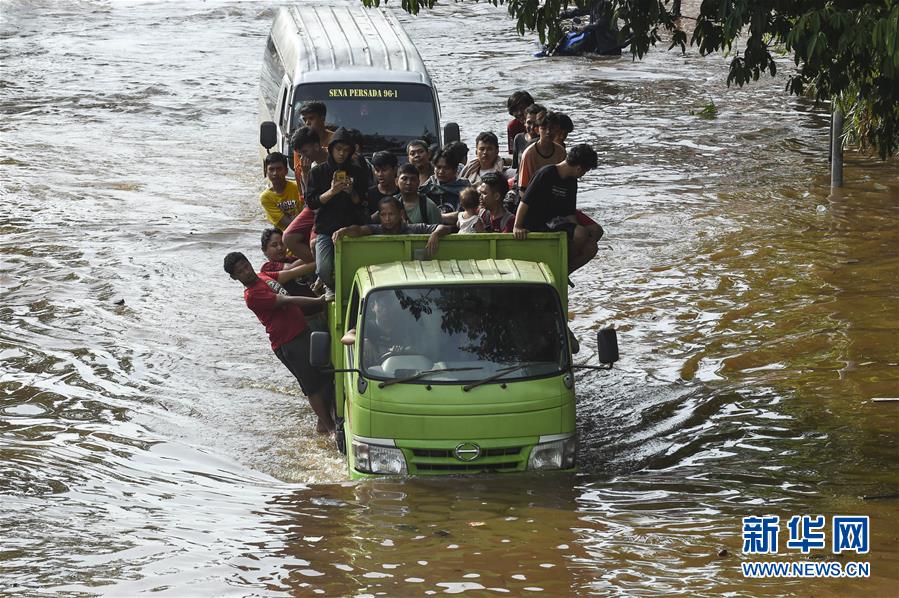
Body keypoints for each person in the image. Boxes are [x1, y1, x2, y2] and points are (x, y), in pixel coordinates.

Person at [223, 251, 334, 434]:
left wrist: (319, 264)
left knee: (324, 376)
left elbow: (290, 273)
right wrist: (319, 300)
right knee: (312, 386)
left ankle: (322, 425)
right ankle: (330, 429)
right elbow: (286, 300)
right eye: (241, 271)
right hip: (288, 342)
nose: (247, 272)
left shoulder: (262, 276)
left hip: (302, 331)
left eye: (246, 266)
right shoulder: (252, 295)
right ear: (234, 277)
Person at [513, 143, 603, 273]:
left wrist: (577, 231)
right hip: (538, 222)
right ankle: (557, 265)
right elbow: (525, 202)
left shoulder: (571, 182)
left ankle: (563, 271)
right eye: (585, 171)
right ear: (579, 169)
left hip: (557, 220)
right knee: (581, 234)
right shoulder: (546, 174)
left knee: (592, 243)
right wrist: (517, 226)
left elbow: (570, 212)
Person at [304, 127, 370, 290]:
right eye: (338, 149)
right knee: (323, 269)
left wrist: (350, 191)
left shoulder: (358, 172)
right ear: (331, 149)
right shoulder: (318, 172)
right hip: (326, 228)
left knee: (354, 268)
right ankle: (330, 287)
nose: (341, 153)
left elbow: (361, 200)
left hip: (351, 227)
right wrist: (332, 191)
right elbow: (311, 202)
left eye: (346, 150)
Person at [332, 196, 453, 257]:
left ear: (400, 214)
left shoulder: (414, 228)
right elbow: (359, 230)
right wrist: (345, 231)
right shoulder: (375, 229)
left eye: (391, 214)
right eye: (384, 215)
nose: (387, 219)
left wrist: (435, 234)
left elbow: (444, 227)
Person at [259, 228, 326, 330]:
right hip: (302, 321)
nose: (280, 248)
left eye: (282, 243)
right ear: (264, 250)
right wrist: (317, 259)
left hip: (320, 313)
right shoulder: (268, 268)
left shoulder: (293, 259)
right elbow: (290, 268)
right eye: (274, 245)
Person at [518, 111, 567, 193]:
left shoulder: (561, 152)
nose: (548, 132)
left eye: (552, 128)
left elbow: (564, 180)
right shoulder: (529, 154)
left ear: (557, 130)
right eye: (544, 128)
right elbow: (523, 188)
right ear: (537, 130)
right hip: (533, 195)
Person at [260, 152, 302, 231]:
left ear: (286, 171)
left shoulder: (298, 187)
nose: (275, 173)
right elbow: (287, 223)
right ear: (266, 171)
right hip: (283, 234)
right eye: (271, 169)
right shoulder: (266, 197)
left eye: (279, 169)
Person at [420, 147, 470, 213]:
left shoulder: (464, 189)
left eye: (446, 168)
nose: (441, 172)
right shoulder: (427, 188)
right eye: (438, 167)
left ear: (455, 170)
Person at [290, 126, 328, 198]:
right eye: (300, 154)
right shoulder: (303, 168)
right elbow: (309, 198)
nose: (302, 158)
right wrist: (305, 173)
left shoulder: (336, 156)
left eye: (305, 152)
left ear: (316, 146)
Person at [511, 103, 546, 171]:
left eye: (536, 123)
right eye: (529, 123)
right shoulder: (518, 138)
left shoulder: (546, 141)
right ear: (524, 122)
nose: (532, 127)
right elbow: (515, 167)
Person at [367, 151, 399, 217]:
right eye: (377, 170)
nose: (380, 174)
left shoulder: (401, 193)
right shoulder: (368, 194)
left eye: (384, 170)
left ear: (395, 169)